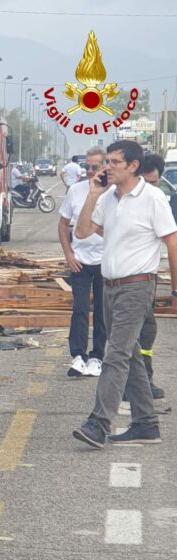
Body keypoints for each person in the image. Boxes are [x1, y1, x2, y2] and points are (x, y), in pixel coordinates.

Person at [72, 140, 177, 448]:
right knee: (128, 356)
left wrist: (175, 288)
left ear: (133, 166)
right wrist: (92, 194)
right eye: (107, 161)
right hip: (110, 287)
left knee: (114, 354)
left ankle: (98, 423)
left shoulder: (153, 198)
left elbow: (172, 241)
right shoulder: (108, 198)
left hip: (137, 285)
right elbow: (81, 231)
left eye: (115, 162)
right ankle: (146, 424)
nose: (108, 167)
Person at [122, 152, 175, 400]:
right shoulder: (121, 200)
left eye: (155, 183)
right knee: (132, 334)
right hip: (125, 280)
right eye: (147, 182)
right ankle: (135, 385)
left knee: (146, 332)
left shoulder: (157, 201)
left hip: (145, 280)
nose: (151, 188)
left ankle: (142, 380)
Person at [58, 146, 107, 378]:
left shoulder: (114, 192)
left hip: (105, 263)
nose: (89, 171)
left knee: (101, 311)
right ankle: (78, 356)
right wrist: (68, 255)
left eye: (94, 167)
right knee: (79, 309)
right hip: (80, 261)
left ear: (105, 167)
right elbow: (62, 224)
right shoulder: (75, 191)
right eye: (87, 166)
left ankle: (97, 356)